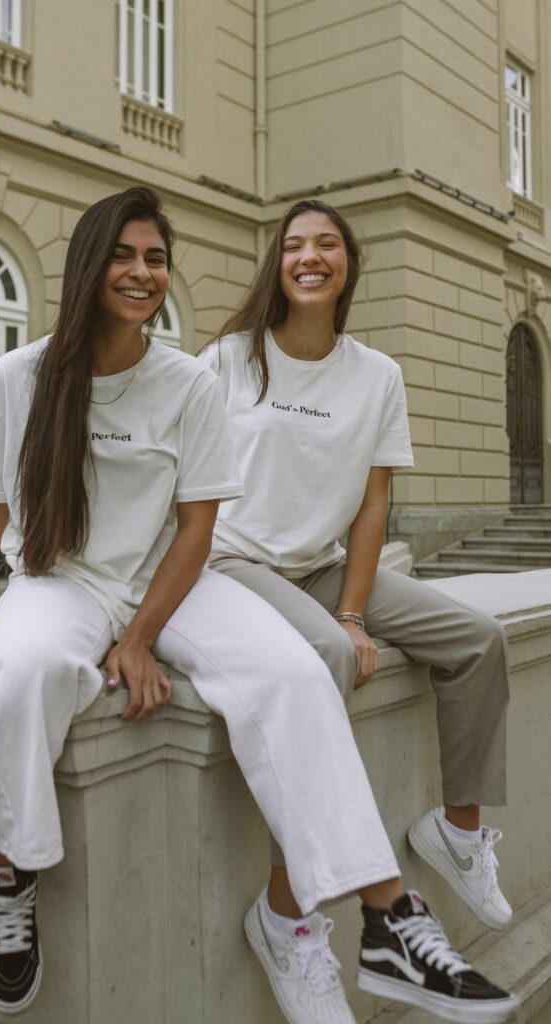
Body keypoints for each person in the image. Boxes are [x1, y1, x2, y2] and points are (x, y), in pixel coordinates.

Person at [0, 188, 517, 1024]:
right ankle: (11, 871)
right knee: (21, 670)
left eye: (156, 258)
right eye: (123, 255)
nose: (143, 273)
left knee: (296, 675)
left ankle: (386, 917)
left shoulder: (187, 381)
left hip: (172, 581)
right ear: (88, 265)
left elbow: (196, 527)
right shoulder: (18, 377)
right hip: (61, 581)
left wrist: (144, 636)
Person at [200, 198, 516, 1018]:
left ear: (347, 265)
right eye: (294, 245)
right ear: (277, 264)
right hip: (232, 563)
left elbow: (372, 506)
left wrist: (349, 606)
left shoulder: (376, 375)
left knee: (477, 639)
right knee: (330, 660)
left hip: (320, 565)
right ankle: (287, 914)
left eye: (326, 244)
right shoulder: (230, 359)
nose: (309, 256)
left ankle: (456, 830)